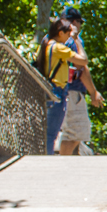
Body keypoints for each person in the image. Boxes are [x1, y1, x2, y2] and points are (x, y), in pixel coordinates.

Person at [38, 18, 89, 153]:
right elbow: (83, 60)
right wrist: (77, 40)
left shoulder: (47, 45)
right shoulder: (58, 48)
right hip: (58, 92)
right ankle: (47, 164)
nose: (69, 38)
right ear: (61, 33)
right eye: (68, 34)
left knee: (48, 134)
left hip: (50, 90)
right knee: (50, 135)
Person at [59, 8, 104, 154]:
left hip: (60, 90)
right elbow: (82, 67)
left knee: (71, 133)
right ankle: (62, 165)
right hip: (72, 92)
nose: (80, 26)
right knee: (75, 133)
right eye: (80, 22)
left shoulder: (54, 38)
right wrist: (93, 92)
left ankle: (63, 163)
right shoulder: (73, 40)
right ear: (73, 22)